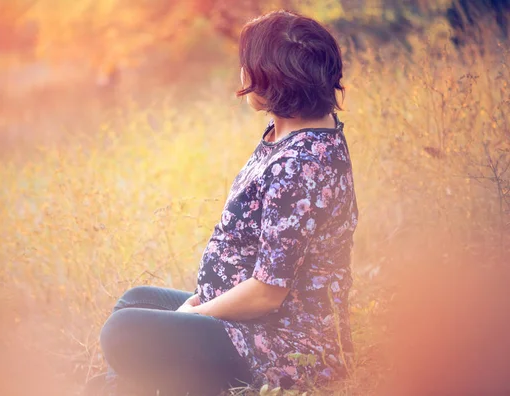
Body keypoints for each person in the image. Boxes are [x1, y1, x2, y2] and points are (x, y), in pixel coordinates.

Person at [87, 10, 358, 396]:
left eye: (247, 66)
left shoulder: (301, 166)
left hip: (284, 345)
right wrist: (206, 299)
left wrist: (197, 314)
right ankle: (127, 386)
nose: (241, 76)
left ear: (272, 77)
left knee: (124, 331)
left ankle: (125, 387)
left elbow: (267, 293)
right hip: (251, 321)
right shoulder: (287, 135)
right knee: (138, 301)